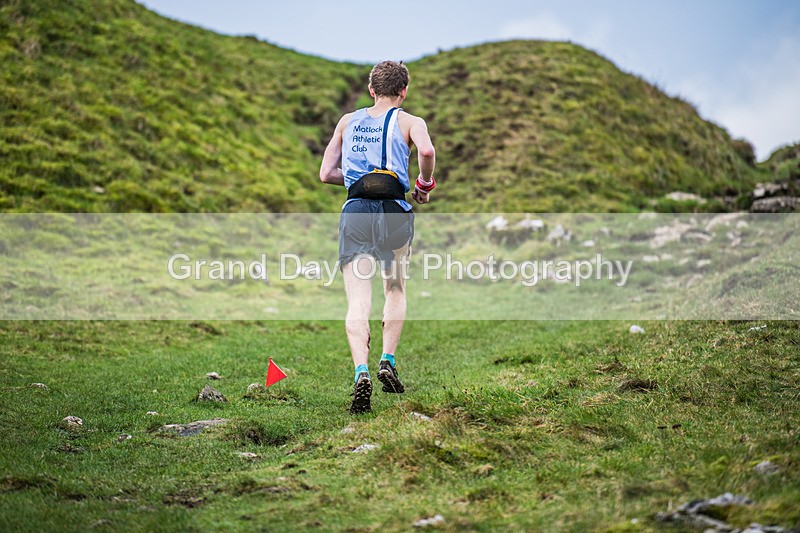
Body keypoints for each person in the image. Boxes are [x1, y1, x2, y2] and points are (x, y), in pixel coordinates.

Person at [319, 60, 437, 414]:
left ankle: (361, 372)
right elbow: (427, 152)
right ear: (404, 91)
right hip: (395, 211)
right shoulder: (410, 122)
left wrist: (357, 178)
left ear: (371, 89)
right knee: (395, 288)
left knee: (357, 300)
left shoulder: (347, 121)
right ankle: (387, 359)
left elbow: (326, 173)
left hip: (356, 212)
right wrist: (422, 185)